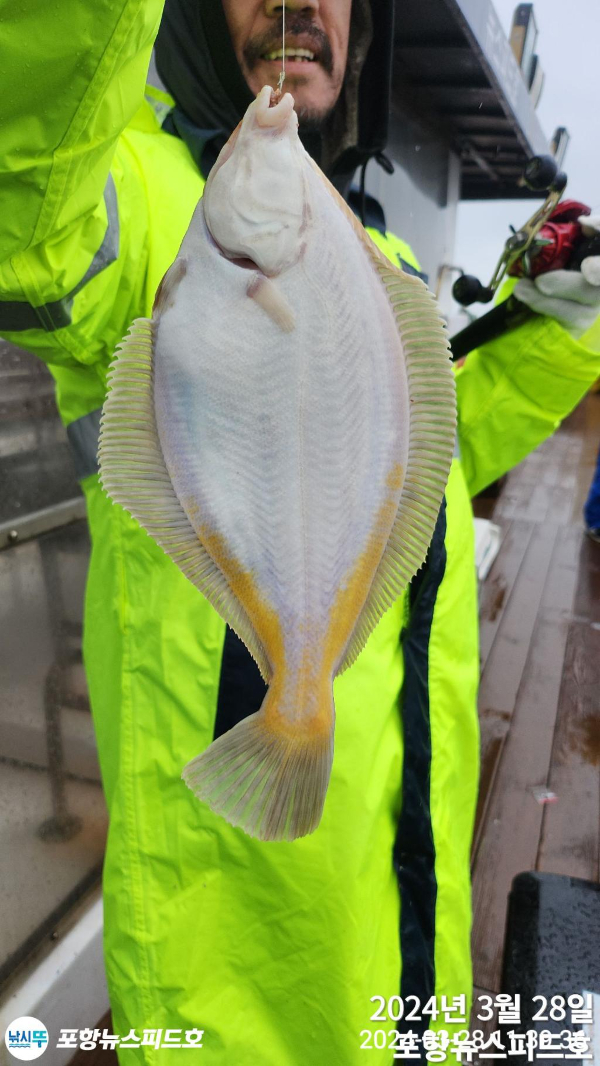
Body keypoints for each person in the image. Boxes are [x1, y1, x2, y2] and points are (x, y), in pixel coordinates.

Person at [2, 1, 600, 1062]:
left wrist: (563, 328)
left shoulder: (377, 255)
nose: (294, 4)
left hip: (404, 914)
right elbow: (28, 217)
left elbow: (434, 454)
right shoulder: (139, 200)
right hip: (232, 981)